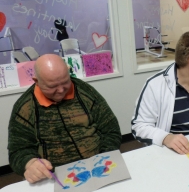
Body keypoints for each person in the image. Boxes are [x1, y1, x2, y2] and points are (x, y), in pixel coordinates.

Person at [8, 54, 121, 183]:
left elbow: (111, 129)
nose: (61, 90)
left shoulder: (85, 91)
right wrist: (30, 163)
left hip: (99, 168)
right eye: (52, 87)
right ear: (36, 81)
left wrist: (104, 158)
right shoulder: (24, 107)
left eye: (65, 82)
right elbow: (17, 151)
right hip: (54, 178)